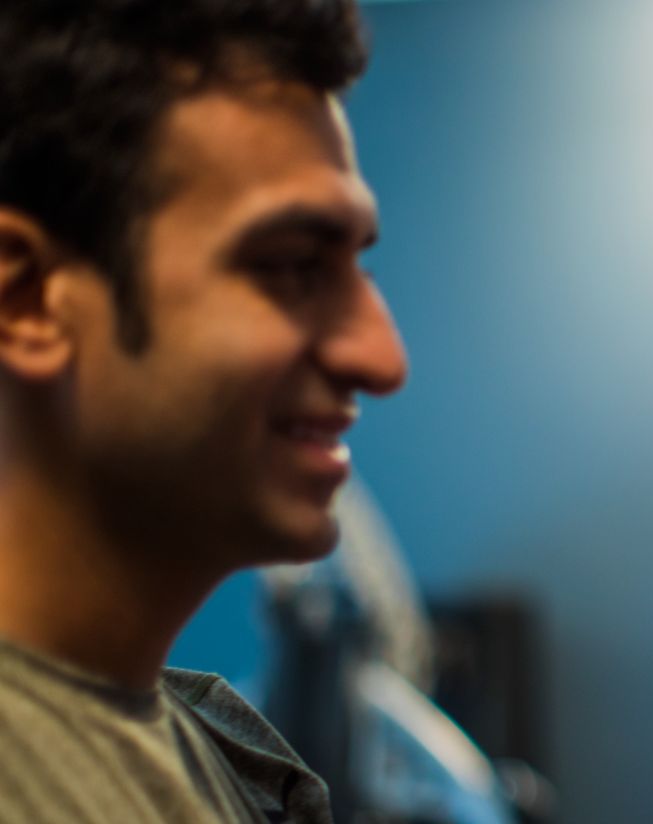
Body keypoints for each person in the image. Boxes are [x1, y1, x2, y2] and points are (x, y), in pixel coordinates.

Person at [0, 1, 403, 821]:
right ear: (30, 299)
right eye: (292, 266)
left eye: (357, 268)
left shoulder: (229, 763)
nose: (380, 357)